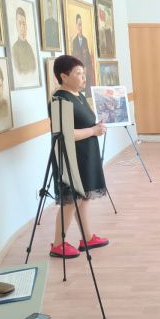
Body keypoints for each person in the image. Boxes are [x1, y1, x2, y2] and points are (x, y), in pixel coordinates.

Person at [49, 55, 109, 258]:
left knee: (83, 199)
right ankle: (58, 244)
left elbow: (84, 123)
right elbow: (65, 134)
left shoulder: (79, 96)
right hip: (71, 159)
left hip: (86, 155)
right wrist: (93, 131)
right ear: (64, 76)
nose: (84, 77)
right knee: (71, 201)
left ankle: (87, 238)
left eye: (83, 73)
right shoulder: (60, 100)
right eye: (78, 73)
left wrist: (96, 127)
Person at [71, 14, 95, 97]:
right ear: (76, 26)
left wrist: (86, 68)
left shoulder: (85, 40)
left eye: (81, 24)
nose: (80, 27)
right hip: (79, 71)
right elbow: (74, 59)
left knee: (88, 89)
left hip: (86, 70)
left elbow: (87, 57)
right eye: (79, 24)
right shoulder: (74, 42)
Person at [12, 7, 37, 75]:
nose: (22, 27)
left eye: (24, 23)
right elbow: (18, 73)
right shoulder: (14, 48)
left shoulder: (30, 48)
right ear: (16, 26)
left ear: (26, 26)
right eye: (19, 23)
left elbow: (34, 70)